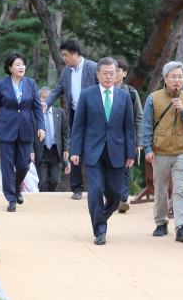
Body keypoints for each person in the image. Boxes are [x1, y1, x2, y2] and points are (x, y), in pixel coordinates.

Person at [70, 57, 135, 245]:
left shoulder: (124, 96)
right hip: (92, 151)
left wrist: (130, 154)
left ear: (117, 75)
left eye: (112, 73)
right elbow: (78, 126)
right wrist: (75, 151)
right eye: (104, 73)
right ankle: (100, 230)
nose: (108, 76)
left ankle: (101, 218)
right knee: (96, 190)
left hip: (117, 152)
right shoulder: (87, 95)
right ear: (97, 74)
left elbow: (129, 128)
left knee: (116, 194)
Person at [141, 61, 183, 242]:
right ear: (165, 78)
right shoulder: (153, 98)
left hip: (182, 151)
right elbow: (146, 126)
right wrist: (148, 149)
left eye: (180, 77)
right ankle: (161, 222)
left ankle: (182, 227)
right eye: (173, 77)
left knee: (181, 189)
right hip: (159, 151)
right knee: (160, 189)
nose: (177, 80)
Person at [0, 52, 45, 212]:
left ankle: (15, 187)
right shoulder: (2, 84)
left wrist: (41, 126)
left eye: (23, 64)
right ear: (9, 67)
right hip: (6, 130)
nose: (21, 67)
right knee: (7, 165)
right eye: (17, 64)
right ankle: (11, 199)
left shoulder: (31, 83)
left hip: (25, 129)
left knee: (24, 165)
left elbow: (37, 107)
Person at [42, 40, 98, 200]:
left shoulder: (93, 68)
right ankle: (77, 189)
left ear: (76, 54)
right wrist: (45, 104)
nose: (64, 58)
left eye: (66, 55)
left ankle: (95, 187)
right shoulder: (66, 72)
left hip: (94, 117)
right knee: (76, 151)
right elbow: (57, 90)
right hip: (75, 116)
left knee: (94, 152)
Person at [114, 59, 143, 213]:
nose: (115, 73)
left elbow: (139, 116)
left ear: (125, 73)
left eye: (118, 70)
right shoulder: (102, 91)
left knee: (125, 169)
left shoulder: (131, 93)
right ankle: (113, 198)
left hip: (126, 139)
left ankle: (123, 200)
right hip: (108, 139)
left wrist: (139, 141)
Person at [32, 87, 71, 192]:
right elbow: (30, 135)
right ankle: (43, 203)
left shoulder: (60, 113)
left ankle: (51, 199)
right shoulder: (34, 114)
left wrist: (66, 150)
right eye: (43, 97)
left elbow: (65, 134)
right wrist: (31, 151)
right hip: (41, 152)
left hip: (55, 152)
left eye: (48, 97)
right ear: (38, 99)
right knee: (42, 182)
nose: (46, 100)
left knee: (54, 180)